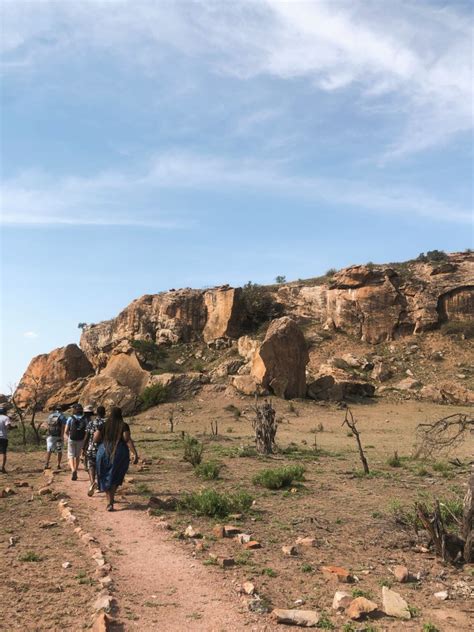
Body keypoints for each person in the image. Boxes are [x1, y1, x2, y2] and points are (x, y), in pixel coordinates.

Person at [95, 407, 139, 511]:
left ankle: (109, 501)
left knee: (105, 474)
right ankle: (111, 500)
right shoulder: (123, 425)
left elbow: (95, 439)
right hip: (119, 451)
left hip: (103, 451)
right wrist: (135, 453)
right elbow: (127, 439)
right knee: (115, 474)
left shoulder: (103, 425)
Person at [82, 405, 106, 497]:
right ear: (105, 413)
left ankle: (92, 483)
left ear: (97, 413)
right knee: (101, 467)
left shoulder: (91, 423)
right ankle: (100, 486)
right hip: (104, 448)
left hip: (91, 448)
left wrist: (83, 448)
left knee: (91, 466)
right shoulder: (107, 423)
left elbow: (87, 436)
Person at [65, 403, 87, 481]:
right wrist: (84, 439)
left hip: (72, 439)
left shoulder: (70, 418)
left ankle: (73, 470)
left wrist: (68, 437)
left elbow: (66, 431)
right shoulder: (84, 419)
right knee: (77, 456)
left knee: (71, 455)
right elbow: (86, 431)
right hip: (80, 439)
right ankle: (76, 470)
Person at [44, 405, 67, 470]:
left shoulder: (50, 416)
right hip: (58, 436)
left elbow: (47, 425)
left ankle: (46, 464)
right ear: (61, 410)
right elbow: (63, 427)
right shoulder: (62, 417)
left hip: (50, 436)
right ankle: (58, 465)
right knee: (59, 450)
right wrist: (62, 436)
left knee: (49, 450)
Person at [0, 406, 14, 474]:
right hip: (3, 437)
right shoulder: (6, 418)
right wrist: (14, 427)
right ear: (5, 412)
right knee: (3, 453)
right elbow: (8, 427)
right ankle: (2, 467)